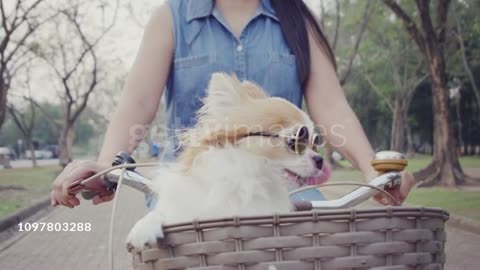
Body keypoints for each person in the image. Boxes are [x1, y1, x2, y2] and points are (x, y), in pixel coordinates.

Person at [51, 0, 415, 209]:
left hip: (289, 194)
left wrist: (374, 172)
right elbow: (137, 103)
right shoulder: (172, 17)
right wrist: (105, 169)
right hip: (195, 196)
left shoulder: (298, 19)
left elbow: (332, 106)